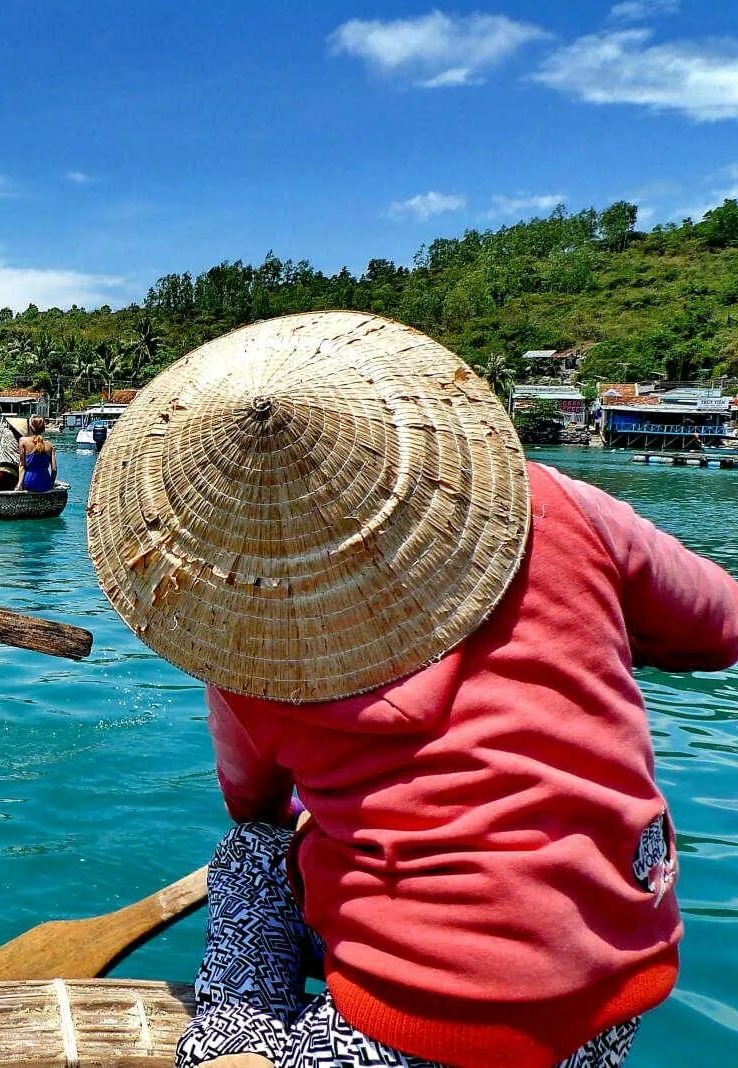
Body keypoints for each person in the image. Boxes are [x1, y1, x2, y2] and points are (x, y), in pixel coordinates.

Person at [84, 311, 738, 1068]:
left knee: (251, 852)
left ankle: (235, 1040)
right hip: (613, 995)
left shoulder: (244, 633)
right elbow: (721, 628)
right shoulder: (564, 505)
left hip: (401, 1033)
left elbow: (252, 803)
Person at [0, 416, 27, 491]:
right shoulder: (23, 440)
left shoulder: (6, 433)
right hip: (15, 473)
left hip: (2, 469)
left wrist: (3, 417)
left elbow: (0, 428)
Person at [15, 415, 57, 492]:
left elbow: (22, 466)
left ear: (30, 428)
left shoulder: (23, 441)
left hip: (29, 483)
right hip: (45, 484)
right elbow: (54, 469)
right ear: (43, 429)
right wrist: (51, 484)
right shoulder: (50, 445)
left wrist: (19, 485)